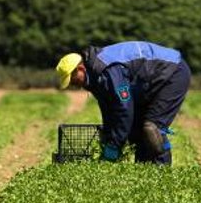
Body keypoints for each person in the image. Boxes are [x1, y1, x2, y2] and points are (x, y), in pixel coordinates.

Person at [55, 41, 191, 165]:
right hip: (147, 82)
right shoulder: (94, 77)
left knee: (152, 128)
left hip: (172, 73)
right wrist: (109, 136)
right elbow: (108, 108)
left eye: (72, 80)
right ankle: (144, 174)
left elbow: (124, 108)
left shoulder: (108, 70)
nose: (73, 84)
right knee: (135, 130)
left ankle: (164, 174)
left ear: (80, 69)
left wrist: (114, 145)